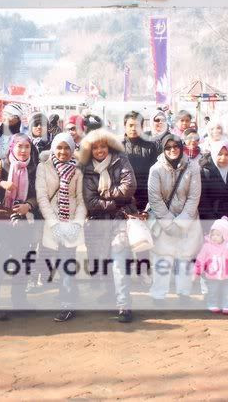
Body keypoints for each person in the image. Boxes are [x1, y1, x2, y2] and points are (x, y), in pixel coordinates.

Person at [0, 133, 39, 320]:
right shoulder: (2, 164)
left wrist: (29, 205)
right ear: (12, 147)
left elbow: (37, 194)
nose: (23, 150)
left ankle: (19, 302)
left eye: (27, 147)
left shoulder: (33, 167)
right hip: (1, 222)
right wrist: (0, 183)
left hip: (23, 221)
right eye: (19, 146)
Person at [80, 128, 137, 323]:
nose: (99, 151)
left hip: (120, 219)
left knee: (119, 263)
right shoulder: (87, 169)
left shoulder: (121, 160)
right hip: (98, 223)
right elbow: (90, 202)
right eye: (95, 148)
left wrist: (105, 194)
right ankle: (111, 295)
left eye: (103, 146)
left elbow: (129, 187)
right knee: (103, 263)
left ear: (109, 146)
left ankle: (124, 305)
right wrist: (115, 201)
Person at [36, 132, 87, 322]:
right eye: (59, 147)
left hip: (71, 223)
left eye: (67, 148)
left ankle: (67, 303)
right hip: (52, 222)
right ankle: (71, 295)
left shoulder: (78, 170)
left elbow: (81, 200)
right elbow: (42, 198)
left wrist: (77, 224)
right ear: (53, 148)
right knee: (59, 262)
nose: (63, 152)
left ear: (72, 149)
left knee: (66, 261)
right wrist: (54, 224)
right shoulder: (43, 167)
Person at [147, 134, 203, 305]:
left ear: (181, 147)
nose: (173, 150)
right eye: (168, 147)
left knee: (185, 258)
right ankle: (158, 295)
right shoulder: (156, 169)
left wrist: (182, 223)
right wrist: (169, 224)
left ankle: (184, 293)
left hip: (188, 220)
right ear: (163, 149)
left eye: (176, 146)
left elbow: (194, 197)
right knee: (162, 258)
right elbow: (155, 199)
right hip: (164, 221)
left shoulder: (193, 167)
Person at [193, 217, 228, 314]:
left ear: (225, 235)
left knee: (227, 292)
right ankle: (212, 304)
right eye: (212, 234)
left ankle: (227, 305)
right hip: (212, 275)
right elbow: (200, 259)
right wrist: (197, 272)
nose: (214, 237)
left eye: (218, 235)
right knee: (213, 291)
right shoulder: (207, 246)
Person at [198, 141, 228, 224]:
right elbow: (203, 200)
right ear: (214, 154)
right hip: (211, 222)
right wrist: (215, 223)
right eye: (219, 154)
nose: (223, 158)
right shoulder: (205, 171)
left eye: (227, 154)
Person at [121, 111, 156, 211]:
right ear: (125, 126)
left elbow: (155, 173)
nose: (133, 129)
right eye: (130, 125)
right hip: (124, 196)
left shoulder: (150, 146)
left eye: (137, 125)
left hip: (146, 195)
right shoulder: (118, 147)